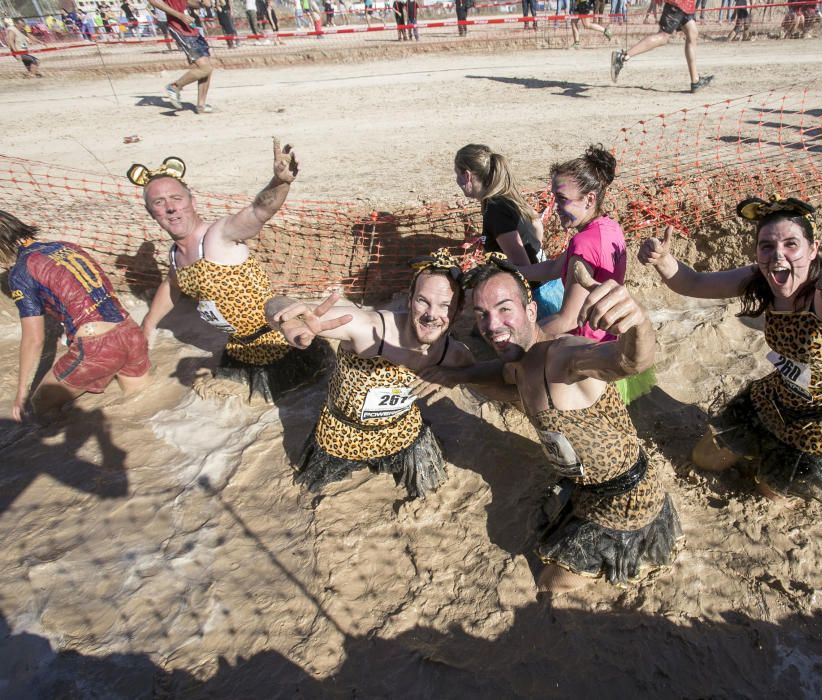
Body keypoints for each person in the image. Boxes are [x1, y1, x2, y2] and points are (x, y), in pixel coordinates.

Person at [637, 196, 822, 506]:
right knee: (704, 459)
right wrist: (663, 260)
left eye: (791, 244)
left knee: (771, 494)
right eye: (767, 246)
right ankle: (760, 450)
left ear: (812, 249)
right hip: (776, 399)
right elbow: (694, 284)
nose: (778, 255)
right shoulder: (760, 278)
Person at [458, 254, 683, 592]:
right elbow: (496, 382)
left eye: (505, 309)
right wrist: (441, 366)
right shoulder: (518, 364)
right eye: (482, 315)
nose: (492, 325)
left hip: (626, 500)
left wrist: (637, 323)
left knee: (551, 585)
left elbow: (628, 360)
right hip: (586, 487)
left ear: (531, 311)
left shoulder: (565, 355)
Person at [266, 250, 475, 499]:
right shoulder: (367, 327)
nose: (431, 314)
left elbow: (479, 375)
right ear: (410, 298)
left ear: (459, 310)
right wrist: (289, 324)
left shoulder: (454, 355)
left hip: (401, 431)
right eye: (423, 301)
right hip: (343, 432)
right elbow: (275, 304)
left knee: (430, 489)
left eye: (445, 306)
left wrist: (451, 377)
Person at [133, 139, 326, 403]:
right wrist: (148, 325)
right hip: (239, 348)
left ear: (191, 200)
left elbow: (260, 211)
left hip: (281, 342)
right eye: (159, 202)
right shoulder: (175, 254)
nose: (170, 207)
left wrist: (280, 182)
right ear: (150, 211)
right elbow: (173, 284)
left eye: (176, 198)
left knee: (297, 401)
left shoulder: (217, 236)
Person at [2, 211, 151, 421]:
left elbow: (34, 339)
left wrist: (21, 393)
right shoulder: (66, 246)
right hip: (130, 332)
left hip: (97, 345)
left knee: (38, 410)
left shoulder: (20, 273)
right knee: (142, 407)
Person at [518, 145, 623, 341]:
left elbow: (568, 320)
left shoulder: (584, 243)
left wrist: (520, 339)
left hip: (585, 347)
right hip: (608, 338)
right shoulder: (610, 227)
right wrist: (513, 272)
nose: (555, 207)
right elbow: (555, 268)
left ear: (589, 199)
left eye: (562, 199)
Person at [453, 144, 563, 319]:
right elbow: (536, 226)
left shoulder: (496, 210)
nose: (457, 181)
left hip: (539, 299)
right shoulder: (506, 198)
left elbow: (520, 267)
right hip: (551, 289)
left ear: (467, 175)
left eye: (457, 174)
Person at [610, 0, 713, 93]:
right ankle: (623, 57)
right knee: (663, 36)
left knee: (692, 33)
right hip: (678, 4)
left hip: (687, 5)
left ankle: (695, 81)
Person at [149, 0, 215, 113]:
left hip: (192, 28)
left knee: (207, 68)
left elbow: (188, 3)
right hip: (180, 29)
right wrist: (179, 15)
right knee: (205, 68)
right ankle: (175, 87)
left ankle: (201, 105)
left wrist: (201, 3)